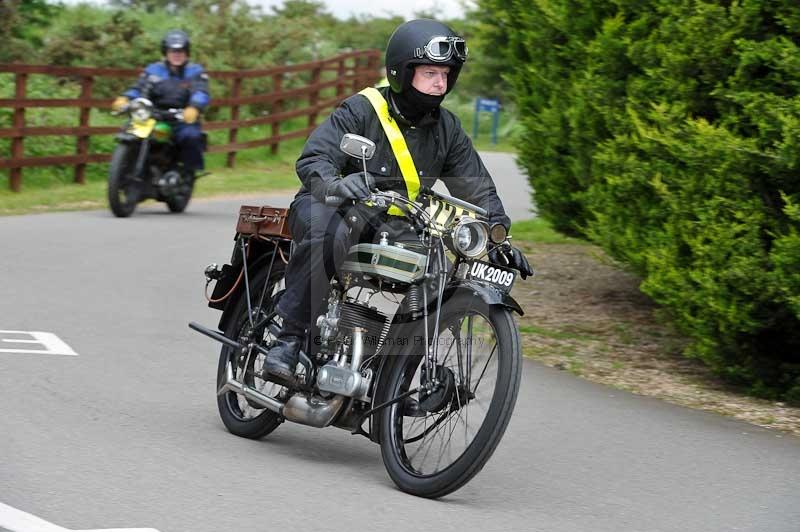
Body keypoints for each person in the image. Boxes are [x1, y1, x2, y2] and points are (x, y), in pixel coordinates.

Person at [263, 19, 533, 383]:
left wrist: (498, 234)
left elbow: (478, 188)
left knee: (437, 266)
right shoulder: (363, 109)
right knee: (328, 233)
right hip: (333, 205)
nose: (440, 83)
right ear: (402, 72)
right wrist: (338, 184)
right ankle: (289, 339)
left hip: (394, 223)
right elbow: (314, 159)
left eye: (446, 74)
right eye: (430, 73)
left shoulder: (447, 128)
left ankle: (393, 372)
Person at [111, 29, 210, 179]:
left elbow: (201, 92)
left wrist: (194, 107)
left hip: (180, 118)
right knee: (129, 129)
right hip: (152, 116)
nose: (177, 54)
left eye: (181, 51)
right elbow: (139, 87)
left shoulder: (195, 71)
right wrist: (125, 98)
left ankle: (188, 172)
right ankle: (126, 169)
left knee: (190, 136)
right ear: (166, 52)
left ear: (187, 52)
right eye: (172, 51)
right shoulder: (153, 70)